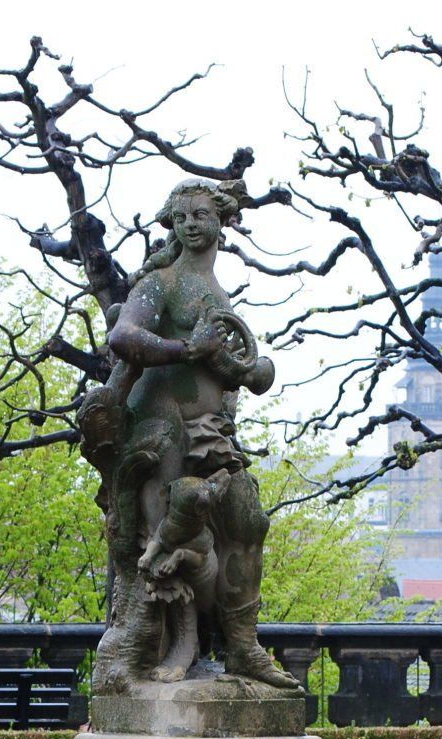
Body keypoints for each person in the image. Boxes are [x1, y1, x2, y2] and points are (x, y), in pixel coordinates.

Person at [80, 177, 300, 692]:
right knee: (172, 535)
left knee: (247, 520)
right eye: (181, 218)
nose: (190, 225)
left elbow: (230, 364)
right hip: (162, 427)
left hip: (212, 431)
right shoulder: (162, 282)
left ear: (222, 220)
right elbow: (123, 336)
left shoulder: (217, 291)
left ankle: (243, 646)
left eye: (200, 215)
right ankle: (169, 649)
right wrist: (187, 350)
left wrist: (245, 369)